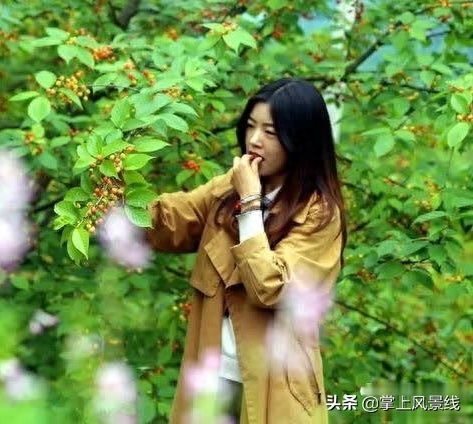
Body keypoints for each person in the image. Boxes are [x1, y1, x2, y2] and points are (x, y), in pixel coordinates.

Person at [145, 78, 347, 424]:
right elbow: (174, 220)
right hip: (213, 380)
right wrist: (116, 193)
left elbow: (272, 287)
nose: (254, 140)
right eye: (251, 126)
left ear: (300, 140)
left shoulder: (320, 214)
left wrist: (251, 203)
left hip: (275, 391)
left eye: (270, 132)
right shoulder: (231, 186)